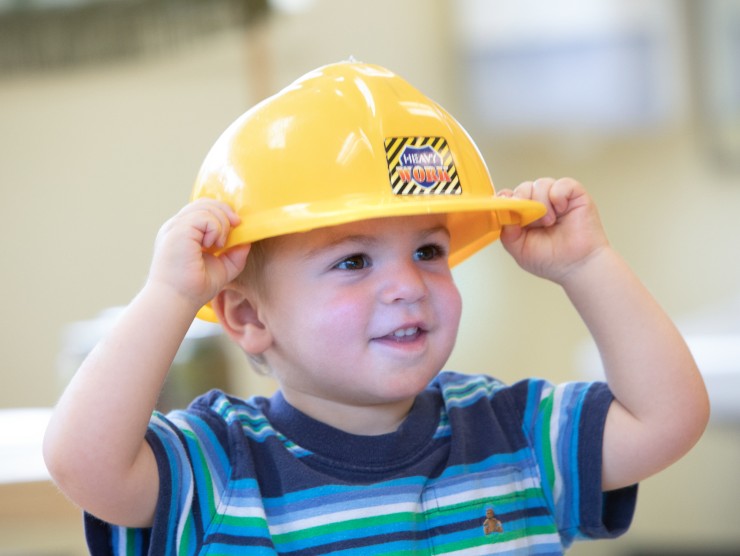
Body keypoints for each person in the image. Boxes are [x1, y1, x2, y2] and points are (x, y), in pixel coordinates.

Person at [43, 62, 709, 555]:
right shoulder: (221, 471)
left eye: (427, 251)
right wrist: (170, 296)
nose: (407, 286)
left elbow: (668, 419)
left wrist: (587, 266)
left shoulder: (512, 437)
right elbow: (83, 465)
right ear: (247, 318)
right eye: (354, 261)